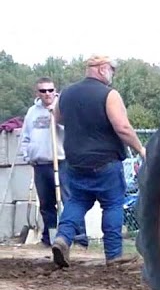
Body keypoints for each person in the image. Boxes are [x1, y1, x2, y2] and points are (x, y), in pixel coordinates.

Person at [50, 55, 145, 268]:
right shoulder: (109, 95)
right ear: (102, 69)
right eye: (112, 69)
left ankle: (62, 239)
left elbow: (58, 118)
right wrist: (140, 148)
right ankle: (113, 255)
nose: (113, 74)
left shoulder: (66, 94)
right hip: (106, 162)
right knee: (112, 205)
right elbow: (122, 127)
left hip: (75, 162)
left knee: (77, 201)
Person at [18, 78, 86, 247]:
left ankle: (78, 239)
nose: (47, 94)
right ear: (38, 93)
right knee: (46, 204)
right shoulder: (32, 112)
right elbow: (25, 137)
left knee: (70, 200)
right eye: (43, 91)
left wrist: (56, 116)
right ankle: (51, 239)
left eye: (50, 90)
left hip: (62, 162)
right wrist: (28, 156)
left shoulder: (63, 108)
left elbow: (75, 131)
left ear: (55, 90)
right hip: (41, 164)